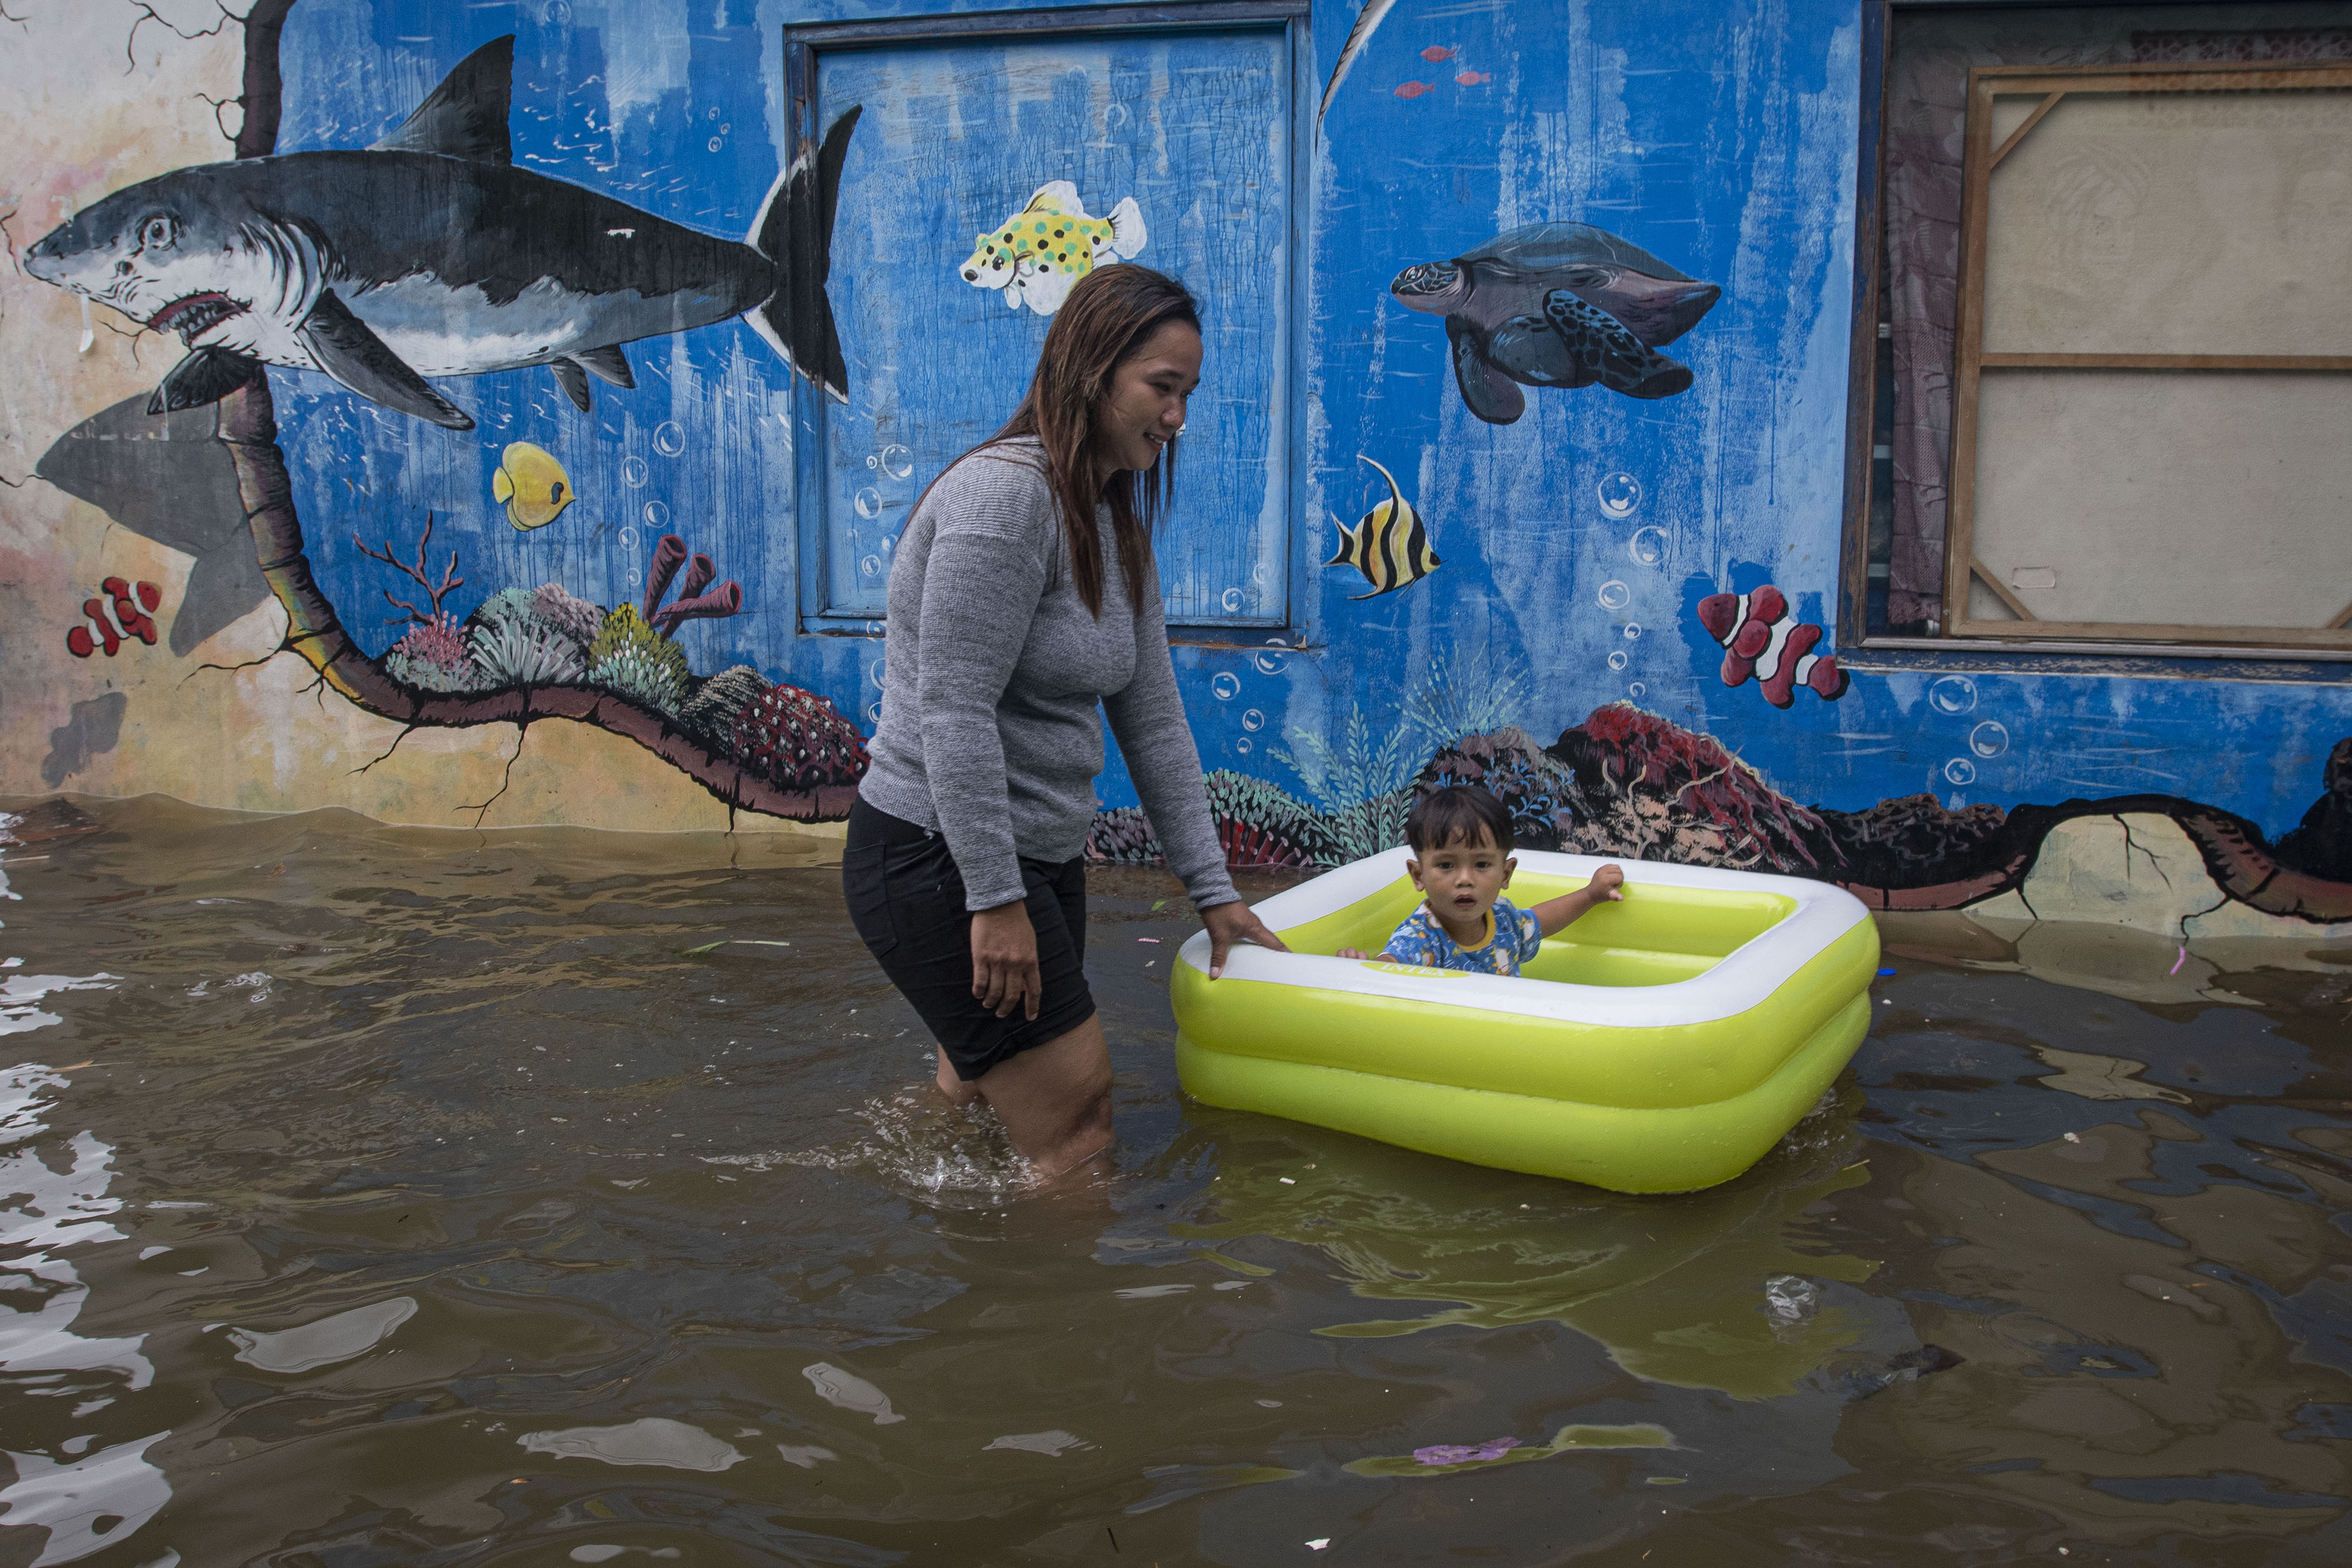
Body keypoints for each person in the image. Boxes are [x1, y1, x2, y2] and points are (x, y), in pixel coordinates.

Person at [842, 264, 1288, 1183]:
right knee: (1078, 1133)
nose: (1178, 416)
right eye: (1162, 387)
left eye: (1189, 393)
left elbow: (1154, 722)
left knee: (978, 1104)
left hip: (1033, 859)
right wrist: (994, 898)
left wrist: (1213, 891)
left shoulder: (1112, 521)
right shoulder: (1005, 499)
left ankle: (897, 1227)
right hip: (939, 855)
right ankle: (1058, 1290)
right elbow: (954, 708)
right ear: (1092, 370)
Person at [1338, 785, 1625, 973]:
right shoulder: (1420, 939)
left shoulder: (1504, 919)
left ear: (1505, 874)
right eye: (1446, 865)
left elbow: (1541, 920)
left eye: (1482, 864)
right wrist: (1360, 971)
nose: (1465, 879)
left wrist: (1590, 895)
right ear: (1418, 875)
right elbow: (1389, 965)